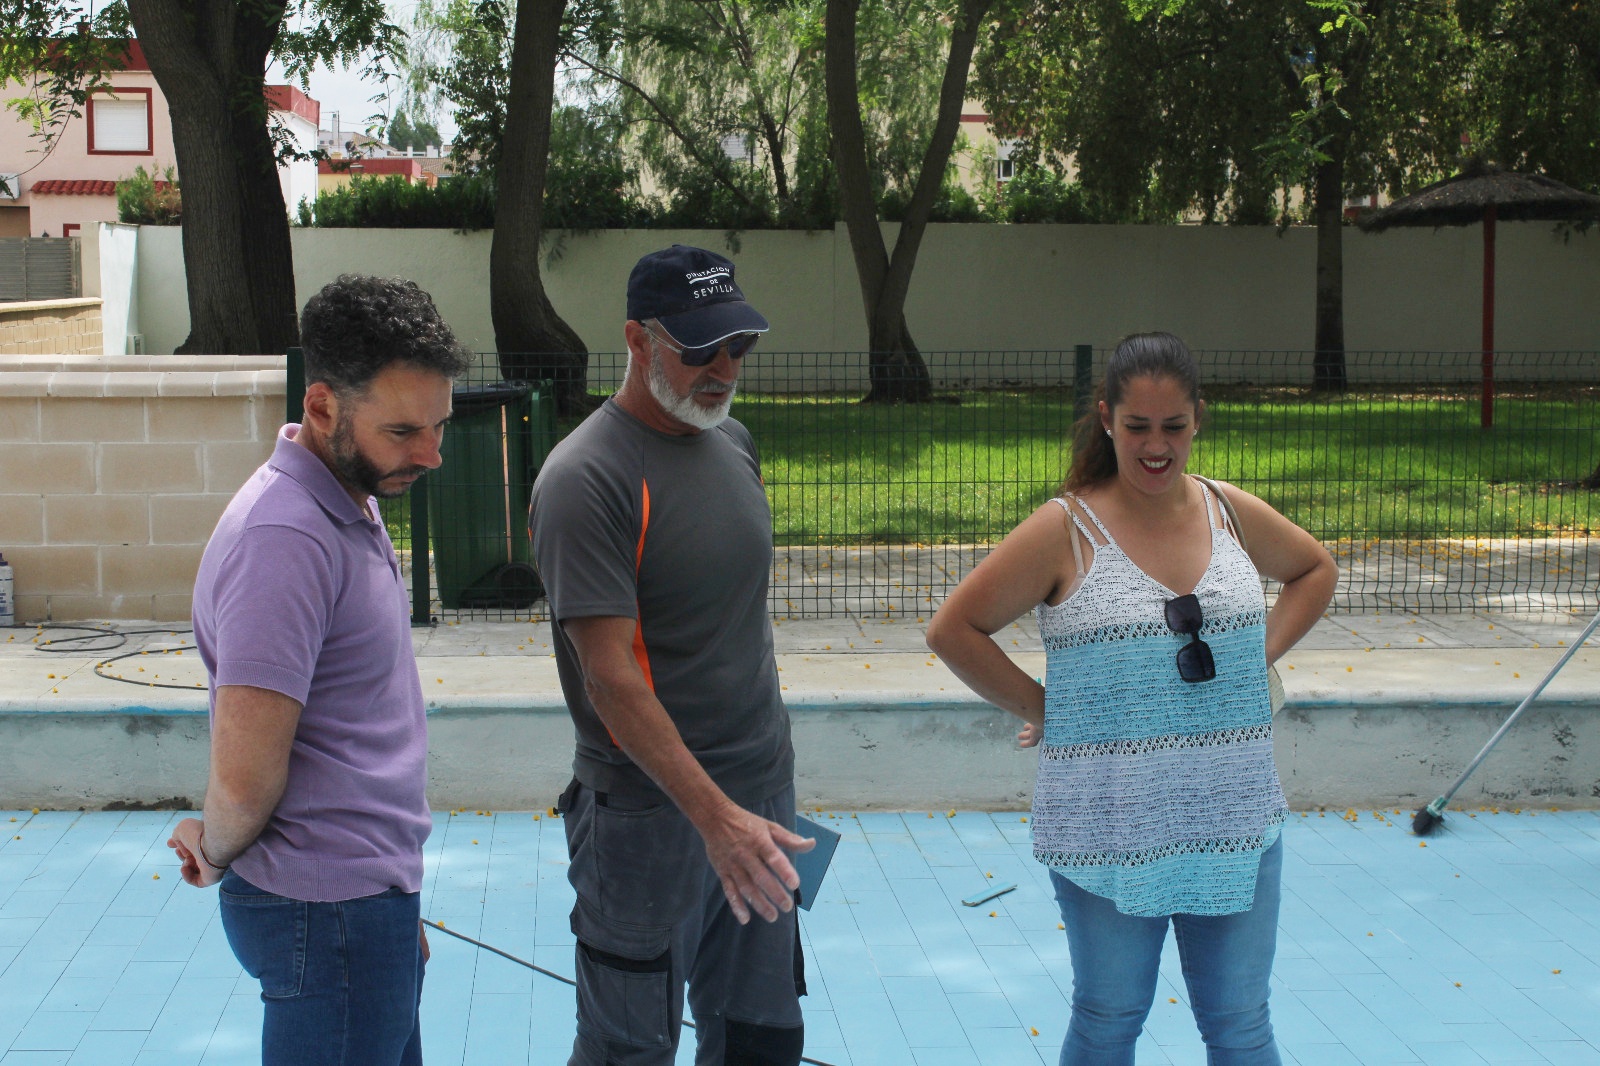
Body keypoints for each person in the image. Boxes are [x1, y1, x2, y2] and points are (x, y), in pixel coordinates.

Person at [926, 332, 1337, 1066]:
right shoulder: (1065, 529)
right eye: (1138, 426)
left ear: (1198, 418)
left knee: (1242, 1025)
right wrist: (1049, 710)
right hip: (1109, 821)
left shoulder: (1226, 510)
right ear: (1106, 418)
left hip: (1233, 813)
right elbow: (953, 629)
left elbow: (1314, 569)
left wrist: (1255, 659)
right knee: (1109, 1018)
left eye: (1173, 427)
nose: (1156, 446)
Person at [168, 274, 474, 1066]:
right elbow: (244, 780)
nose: (432, 454)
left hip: (359, 906)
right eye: (403, 431)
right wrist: (215, 850)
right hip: (325, 914)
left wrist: (389, 901)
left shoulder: (347, 495)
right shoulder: (285, 540)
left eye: (439, 425)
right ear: (322, 407)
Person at [529, 244, 814, 1066]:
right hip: (647, 818)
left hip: (761, 794)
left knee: (763, 1038)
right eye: (699, 349)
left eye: (738, 345)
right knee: (628, 1049)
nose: (723, 368)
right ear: (637, 340)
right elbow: (611, 680)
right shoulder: (587, 478)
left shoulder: (735, 444)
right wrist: (715, 819)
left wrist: (754, 796)